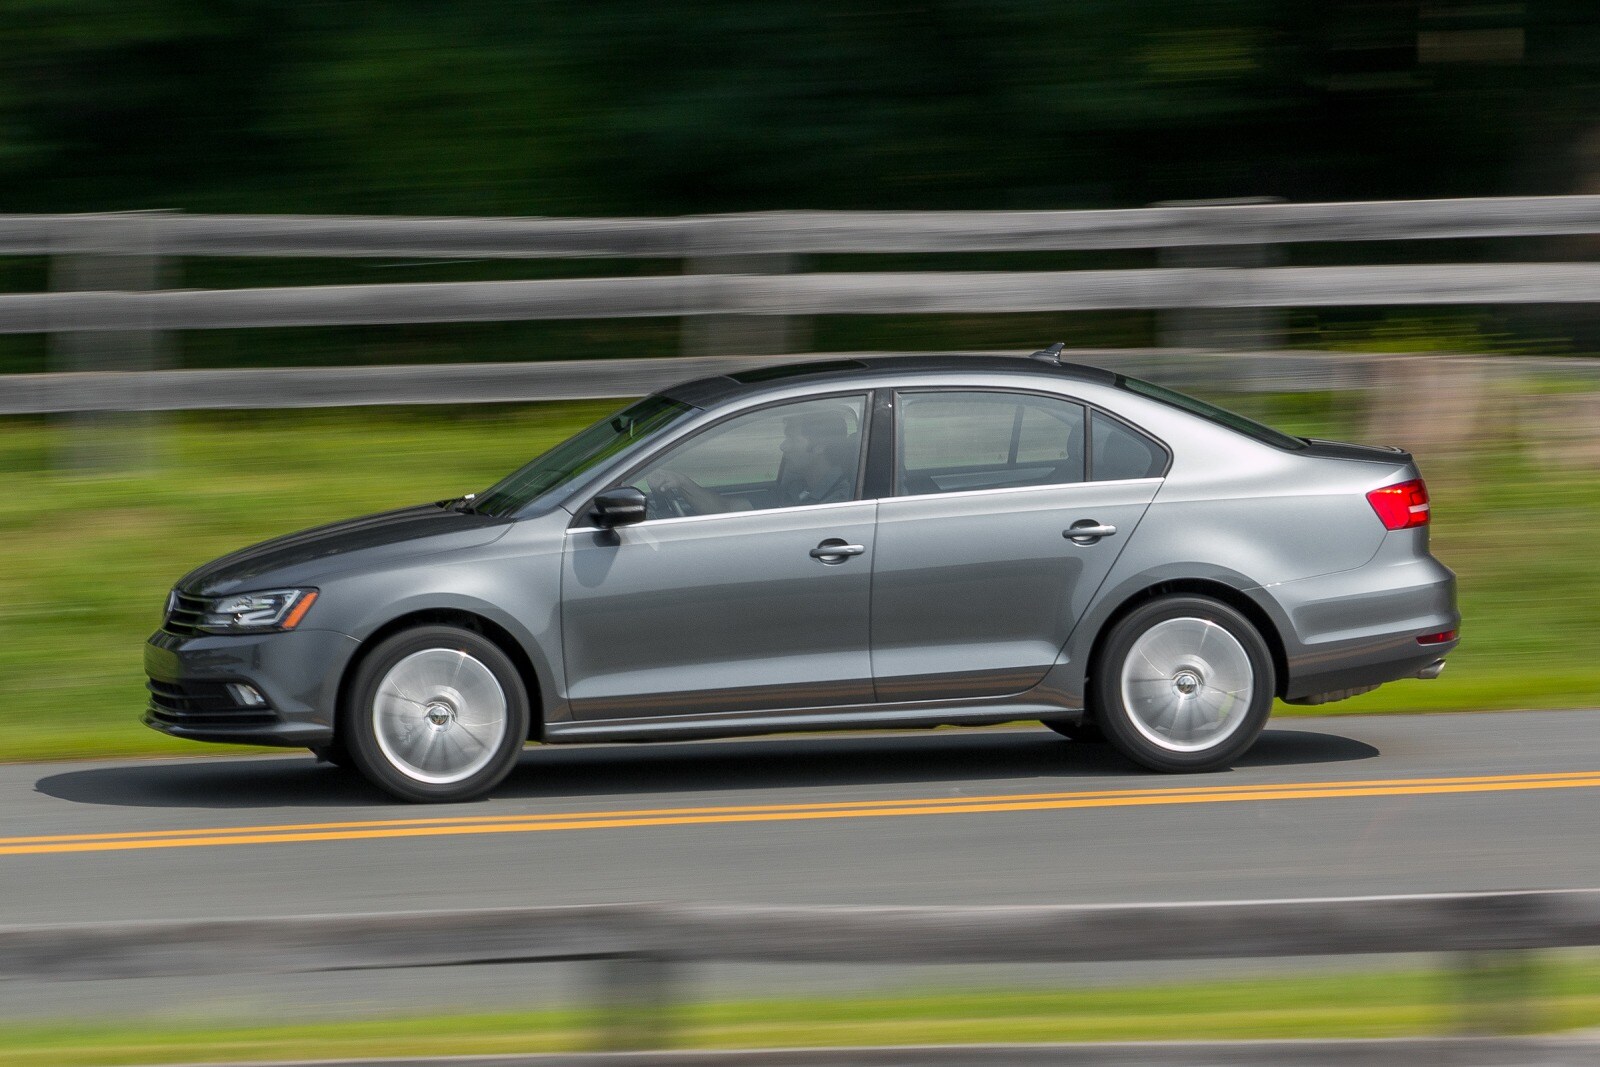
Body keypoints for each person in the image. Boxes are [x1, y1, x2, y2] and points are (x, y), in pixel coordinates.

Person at [648, 410, 855, 516]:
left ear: (819, 446)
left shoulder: (840, 500)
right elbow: (727, 509)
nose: (783, 446)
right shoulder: (797, 490)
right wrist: (681, 482)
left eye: (791, 438)